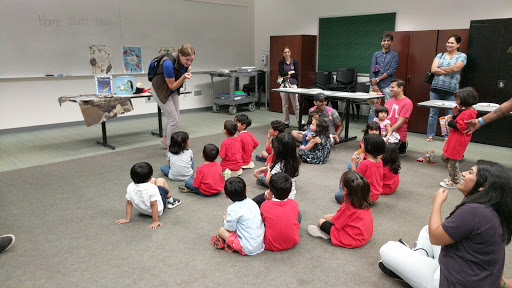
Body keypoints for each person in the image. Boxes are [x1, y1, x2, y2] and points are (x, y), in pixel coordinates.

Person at [379, 160, 512, 288]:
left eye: (470, 172)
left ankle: (414, 262)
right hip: (469, 274)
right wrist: (501, 282)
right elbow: (494, 254)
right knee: (427, 230)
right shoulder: (494, 209)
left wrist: (437, 203)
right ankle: (416, 259)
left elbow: (436, 237)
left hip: (449, 281)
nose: (463, 173)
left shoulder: (473, 211)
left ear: (483, 186)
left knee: (388, 248)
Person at [308, 170, 373, 248]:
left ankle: (330, 235)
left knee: (321, 222)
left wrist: (325, 217)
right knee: (333, 218)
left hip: (352, 239)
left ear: (345, 189)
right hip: (365, 235)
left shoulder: (348, 205)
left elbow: (336, 221)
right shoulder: (365, 200)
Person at [152, 44, 195, 146]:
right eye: (187, 60)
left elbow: (174, 84)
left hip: (172, 89)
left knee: (176, 118)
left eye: (191, 60)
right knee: (173, 120)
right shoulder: (168, 63)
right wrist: (184, 76)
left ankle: (165, 139)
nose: (189, 63)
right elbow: (172, 86)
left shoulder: (183, 63)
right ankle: (171, 148)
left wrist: (186, 71)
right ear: (180, 55)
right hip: (160, 89)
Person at [116, 162, 181, 230]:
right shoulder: (153, 188)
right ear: (150, 176)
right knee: (161, 180)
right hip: (157, 211)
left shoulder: (130, 186)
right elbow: (154, 205)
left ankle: (168, 198)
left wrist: (127, 219)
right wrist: (155, 221)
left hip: (141, 210)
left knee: (154, 180)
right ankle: (171, 200)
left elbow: (129, 203)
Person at [426, 35, 467, 142]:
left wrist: (442, 68)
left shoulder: (461, 56)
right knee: (433, 113)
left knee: (450, 114)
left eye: (452, 43)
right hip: (435, 88)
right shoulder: (440, 55)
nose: (449, 44)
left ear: (458, 44)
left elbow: (456, 68)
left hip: (452, 90)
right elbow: (433, 70)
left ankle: (447, 136)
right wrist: (449, 70)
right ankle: (430, 135)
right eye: (448, 42)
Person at [211, 177, 265, 255]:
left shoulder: (232, 208)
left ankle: (230, 245)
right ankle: (232, 243)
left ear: (226, 196)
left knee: (221, 230)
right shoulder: (252, 203)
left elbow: (229, 229)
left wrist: (225, 219)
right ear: (246, 189)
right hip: (260, 243)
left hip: (247, 247)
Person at [439, 87, 479, 188]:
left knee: (452, 161)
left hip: (458, 140)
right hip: (455, 138)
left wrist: (449, 121)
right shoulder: (468, 111)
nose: (456, 102)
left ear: (465, 99)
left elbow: (460, 127)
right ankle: (455, 176)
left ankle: (455, 181)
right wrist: (456, 114)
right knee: (445, 157)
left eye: (458, 100)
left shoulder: (469, 113)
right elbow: (461, 122)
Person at [253, 133, 300, 206]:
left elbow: (269, 181)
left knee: (253, 204)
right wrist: (268, 168)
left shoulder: (279, 165)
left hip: (277, 196)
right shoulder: (293, 162)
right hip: (289, 194)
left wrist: (268, 169)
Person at [337, 134, 385, 203]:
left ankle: (354, 200)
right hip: (375, 195)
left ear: (368, 147)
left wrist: (353, 162)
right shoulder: (380, 161)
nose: (361, 145)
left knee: (340, 188)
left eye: (363, 143)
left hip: (364, 196)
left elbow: (354, 178)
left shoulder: (365, 164)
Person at [260, 172, 300, 252]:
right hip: (293, 241)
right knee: (297, 216)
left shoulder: (265, 205)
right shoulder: (294, 203)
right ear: (290, 191)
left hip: (270, 244)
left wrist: (268, 200)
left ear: (270, 190)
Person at [368, 33, 399, 122]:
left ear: (391, 42)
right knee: (373, 107)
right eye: (384, 40)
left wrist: (378, 79)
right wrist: (374, 84)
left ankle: (387, 126)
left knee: (388, 106)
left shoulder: (394, 55)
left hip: (387, 84)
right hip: (374, 85)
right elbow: (372, 69)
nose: (386, 42)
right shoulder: (376, 54)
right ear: (381, 42)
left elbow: (391, 71)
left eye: (388, 40)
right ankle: (371, 125)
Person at [384, 79, 413, 156]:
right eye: (390, 87)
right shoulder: (388, 101)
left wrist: (388, 132)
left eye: (393, 87)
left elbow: (400, 123)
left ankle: (403, 145)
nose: (390, 89)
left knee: (386, 153)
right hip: (385, 132)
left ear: (400, 88)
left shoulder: (407, 102)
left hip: (397, 135)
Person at [278, 47, 301, 128]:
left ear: (290, 53)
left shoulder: (294, 62)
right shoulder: (281, 62)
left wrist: (287, 74)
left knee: (296, 104)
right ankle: (286, 121)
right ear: (283, 54)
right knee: (285, 104)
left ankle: (300, 121)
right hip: (284, 85)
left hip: (293, 84)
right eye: (285, 52)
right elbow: (281, 73)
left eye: (288, 52)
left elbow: (297, 73)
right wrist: (290, 72)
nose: (287, 54)